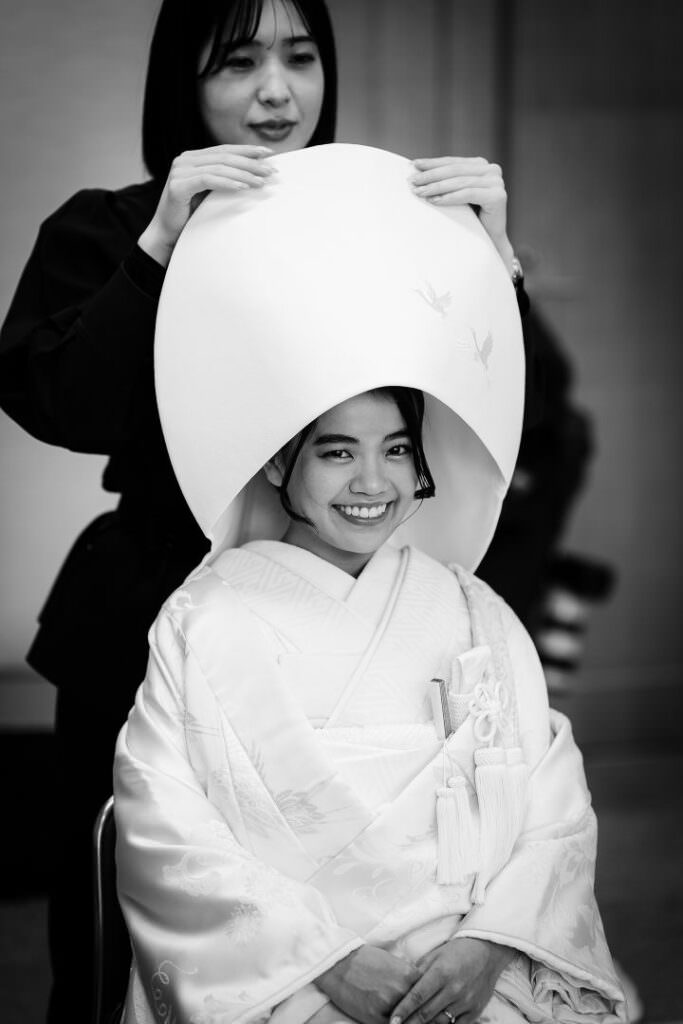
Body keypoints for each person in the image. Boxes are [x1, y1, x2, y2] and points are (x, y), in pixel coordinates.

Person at [0, 3, 532, 1021]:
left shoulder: (379, 225)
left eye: (300, 57)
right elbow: (61, 405)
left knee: (349, 898)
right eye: (237, 62)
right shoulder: (111, 225)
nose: (276, 91)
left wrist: (492, 260)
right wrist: (159, 242)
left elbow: (503, 428)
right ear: (182, 82)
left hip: (339, 615)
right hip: (145, 596)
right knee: (118, 919)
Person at [114, 144, 624, 1023]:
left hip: (472, 970)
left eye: (395, 450)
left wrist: (489, 943)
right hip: (293, 981)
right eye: (337, 451)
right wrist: (330, 963)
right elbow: (164, 823)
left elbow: (551, 801)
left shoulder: (469, 609)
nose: (372, 483)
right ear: (278, 462)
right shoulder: (204, 618)